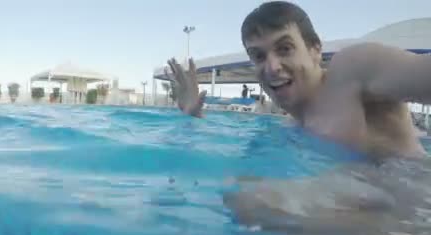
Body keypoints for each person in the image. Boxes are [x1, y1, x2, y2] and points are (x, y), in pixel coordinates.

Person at [166, 1, 430, 160]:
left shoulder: (352, 71)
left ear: (315, 50)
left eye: (284, 49)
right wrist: (193, 120)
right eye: (258, 56)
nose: (271, 67)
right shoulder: (292, 126)